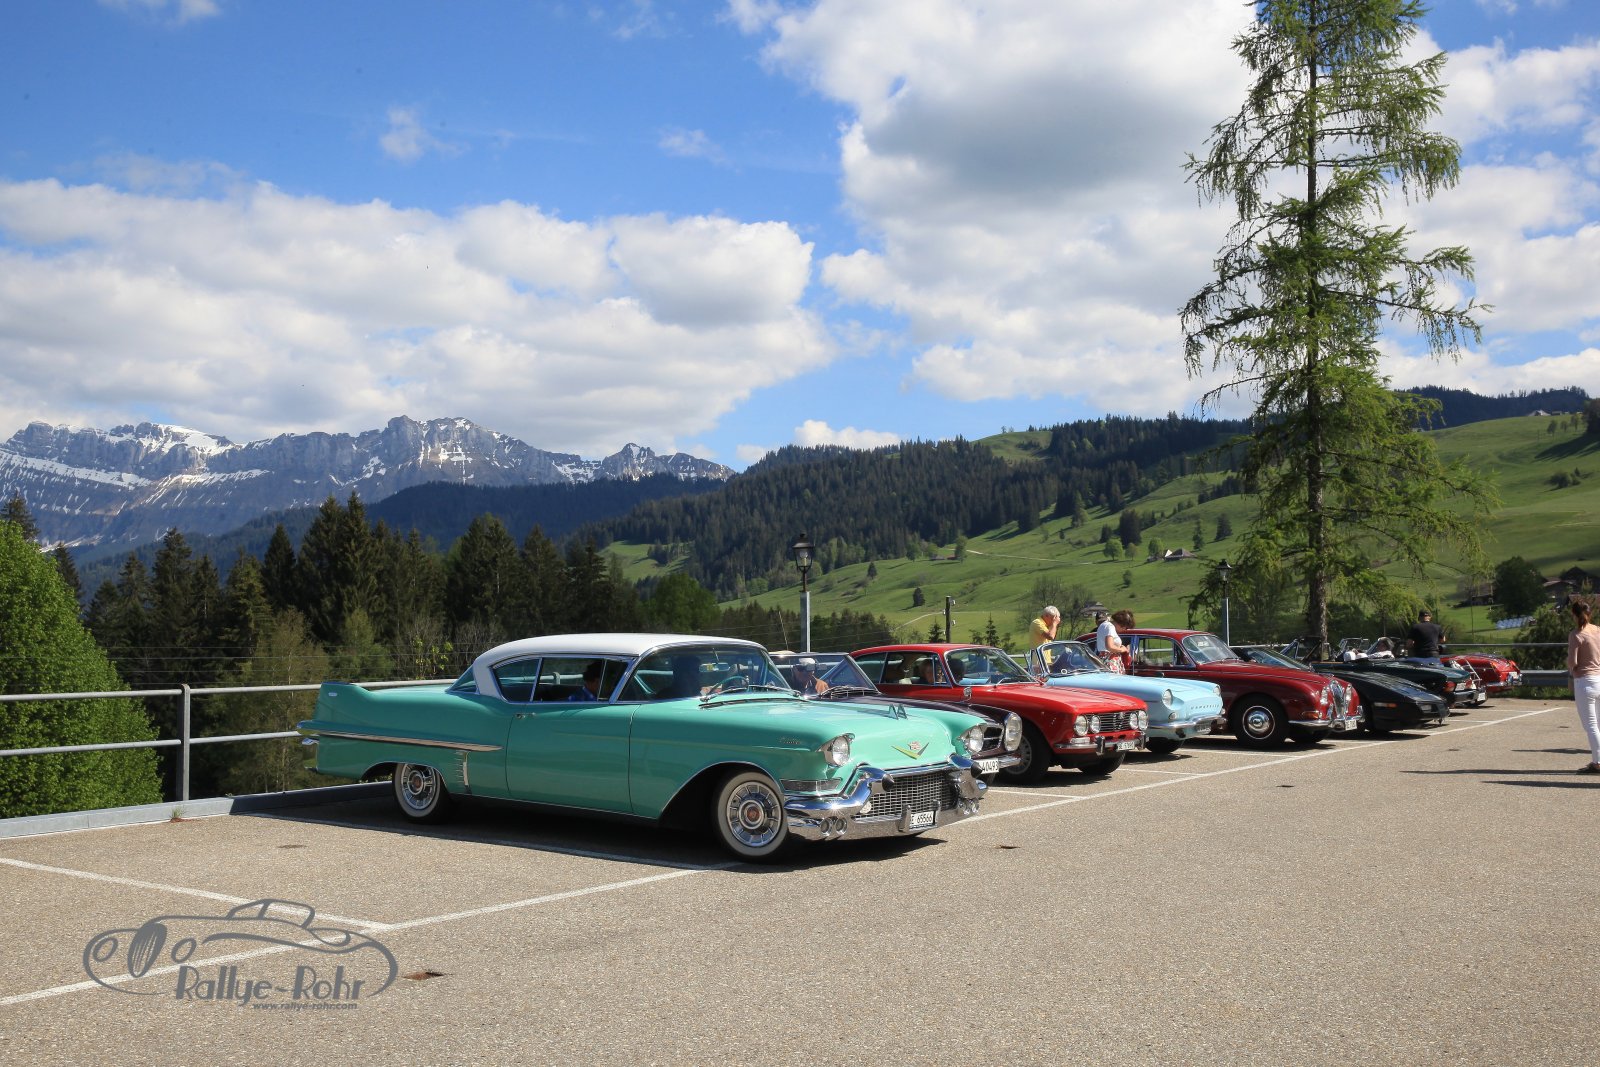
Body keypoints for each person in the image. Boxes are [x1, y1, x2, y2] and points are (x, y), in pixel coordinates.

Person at [1568, 599, 1600, 774]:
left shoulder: (1576, 634)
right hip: (1599, 678)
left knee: (1591, 726)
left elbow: (1573, 662)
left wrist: (1569, 669)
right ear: (1590, 613)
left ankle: (1598, 762)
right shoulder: (1598, 630)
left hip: (1584, 682)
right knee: (1599, 724)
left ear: (1574, 614)